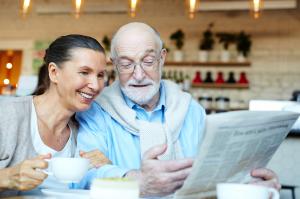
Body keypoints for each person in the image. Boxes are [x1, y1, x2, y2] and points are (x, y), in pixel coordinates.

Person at [75, 23, 281, 198]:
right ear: (115, 65)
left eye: (148, 61)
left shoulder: (191, 110)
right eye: (127, 64)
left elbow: (213, 175)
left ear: (162, 58)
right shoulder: (96, 112)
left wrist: (248, 183)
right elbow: (84, 174)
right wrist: (139, 182)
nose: (138, 75)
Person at [0, 34, 110, 197]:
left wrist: (106, 171)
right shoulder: (7, 114)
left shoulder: (85, 130)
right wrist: (5, 178)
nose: (95, 85)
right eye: (84, 72)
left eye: (100, 75)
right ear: (54, 72)